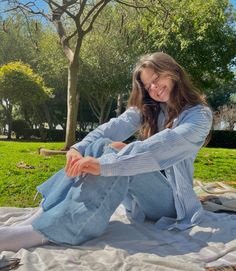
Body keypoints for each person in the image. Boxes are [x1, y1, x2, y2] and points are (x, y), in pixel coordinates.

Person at [0, 52, 212, 252]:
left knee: (116, 152)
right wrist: (77, 148)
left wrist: (104, 165)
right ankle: (40, 217)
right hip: (142, 199)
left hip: (172, 203)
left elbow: (159, 148)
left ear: (173, 71)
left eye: (156, 78)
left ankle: (53, 230)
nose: (154, 88)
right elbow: (112, 127)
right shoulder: (151, 107)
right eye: (148, 86)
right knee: (101, 144)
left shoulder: (199, 116)